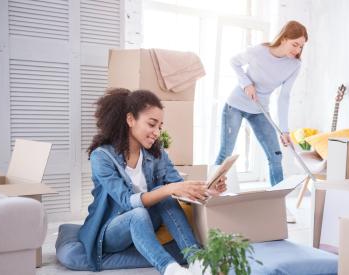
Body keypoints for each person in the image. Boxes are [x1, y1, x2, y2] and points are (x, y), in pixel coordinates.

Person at [78, 88, 227, 275]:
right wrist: (169, 189)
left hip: (147, 222)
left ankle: (196, 260)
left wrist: (208, 189)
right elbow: (126, 201)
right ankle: (171, 269)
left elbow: (178, 184)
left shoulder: (155, 153)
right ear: (130, 119)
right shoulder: (102, 157)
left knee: (165, 197)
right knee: (143, 209)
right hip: (112, 229)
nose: (157, 132)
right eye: (151, 124)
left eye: (160, 127)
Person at [215, 20, 308, 186]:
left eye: (301, 46)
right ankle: (208, 196)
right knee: (225, 154)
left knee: (275, 155)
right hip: (235, 105)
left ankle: (277, 201)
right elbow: (234, 62)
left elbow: (284, 97)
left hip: (260, 110)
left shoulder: (294, 65)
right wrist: (246, 84)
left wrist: (285, 130)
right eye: (295, 44)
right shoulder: (257, 51)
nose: (298, 50)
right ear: (284, 38)